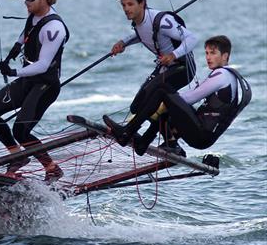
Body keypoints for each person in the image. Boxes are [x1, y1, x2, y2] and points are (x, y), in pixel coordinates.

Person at [0, 0, 69, 181]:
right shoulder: (34, 16)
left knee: (21, 129)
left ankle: (52, 168)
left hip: (45, 84)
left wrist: (13, 72)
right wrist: (11, 54)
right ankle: (16, 156)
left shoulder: (54, 27)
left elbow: (43, 65)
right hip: (28, 80)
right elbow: (25, 35)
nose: (26, 2)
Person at [104, 35, 250, 155]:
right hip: (204, 135)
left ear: (225, 56)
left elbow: (190, 98)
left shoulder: (222, 75)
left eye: (213, 53)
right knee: (167, 103)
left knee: (162, 89)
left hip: (201, 134)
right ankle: (153, 143)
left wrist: (165, 99)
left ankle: (126, 132)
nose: (208, 57)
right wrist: (169, 102)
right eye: (206, 53)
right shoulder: (230, 75)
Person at [109, 0, 198, 153]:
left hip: (183, 67)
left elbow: (192, 39)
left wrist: (173, 55)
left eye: (130, 4)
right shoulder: (138, 22)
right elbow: (141, 34)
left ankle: (128, 132)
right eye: (123, 5)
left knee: (154, 96)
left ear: (142, 3)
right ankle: (146, 141)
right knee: (137, 106)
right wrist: (123, 43)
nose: (126, 9)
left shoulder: (162, 20)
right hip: (167, 68)